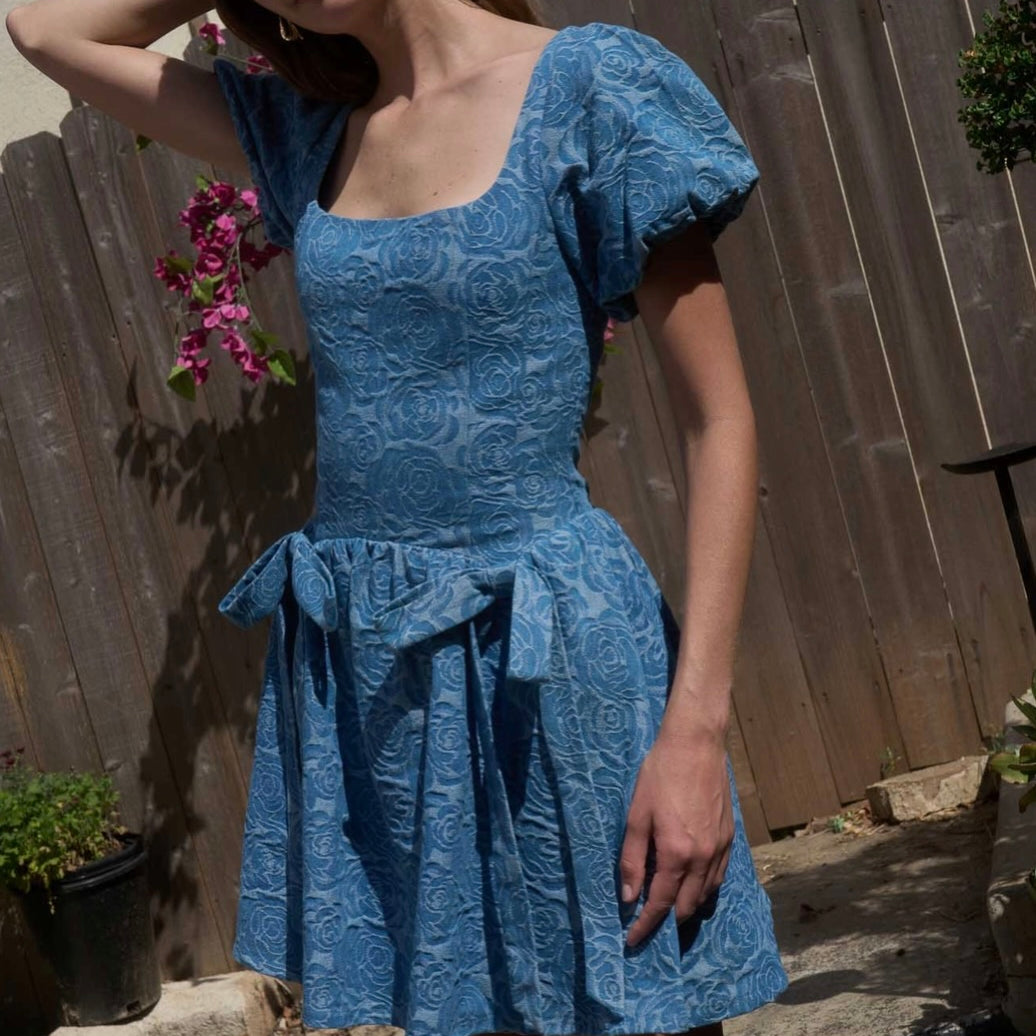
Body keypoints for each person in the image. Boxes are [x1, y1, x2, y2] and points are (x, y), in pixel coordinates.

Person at [6, 0, 788, 1033]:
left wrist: (693, 731)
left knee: (634, 1011)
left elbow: (719, 419)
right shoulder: (305, 131)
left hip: (551, 659)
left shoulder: (592, 85)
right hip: (380, 682)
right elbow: (45, 31)